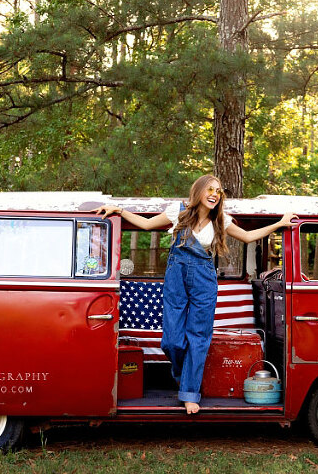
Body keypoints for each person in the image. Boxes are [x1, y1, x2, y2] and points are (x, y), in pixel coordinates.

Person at [95, 175, 296, 414]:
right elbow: (146, 225)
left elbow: (248, 236)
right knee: (172, 341)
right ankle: (182, 374)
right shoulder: (178, 211)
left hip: (204, 279)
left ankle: (190, 393)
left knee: (199, 337)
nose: (214, 194)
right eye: (210, 189)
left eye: (219, 191)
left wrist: (280, 223)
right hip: (176, 276)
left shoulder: (220, 219)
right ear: (199, 191)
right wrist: (119, 210)